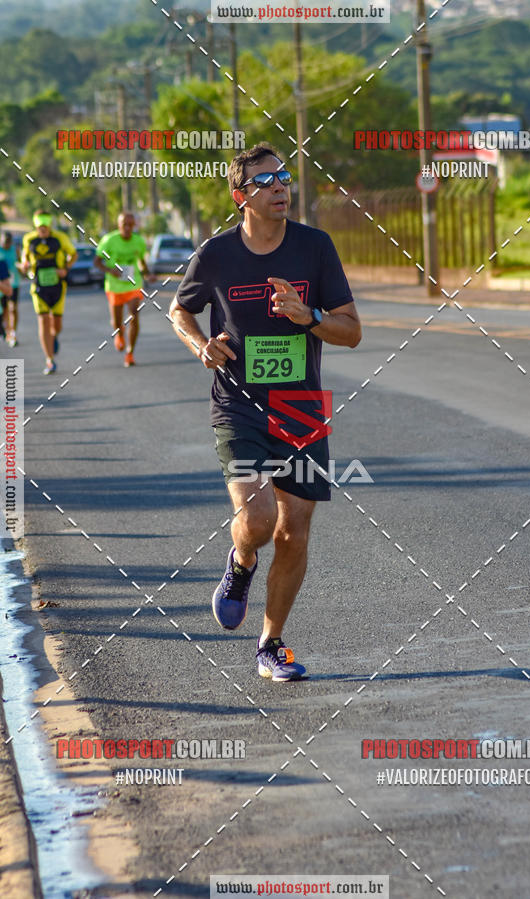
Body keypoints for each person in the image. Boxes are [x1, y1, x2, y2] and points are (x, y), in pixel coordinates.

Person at [169, 142, 361, 682]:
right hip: (239, 403)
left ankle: (271, 645)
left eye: (284, 177)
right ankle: (241, 561)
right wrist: (200, 345)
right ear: (241, 197)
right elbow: (179, 308)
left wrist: (310, 315)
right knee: (256, 521)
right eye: (266, 181)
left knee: (294, 530)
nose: (281, 187)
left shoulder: (315, 248)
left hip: (300, 406)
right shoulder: (216, 254)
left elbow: (351, 331)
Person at [94, 212, 156, 367]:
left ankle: (130, 353)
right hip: (114, 286)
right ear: (119, 225)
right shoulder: (109, 240)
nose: (127, 228)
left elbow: (141, 261)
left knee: (134, 314)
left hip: (133, 284)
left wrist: (147, 275)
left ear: (134, 225)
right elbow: (97, 262)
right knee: (117, 321)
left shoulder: (139, 241)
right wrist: (111, 271)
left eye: (130, 225)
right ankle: (119, 335)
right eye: (124, 225)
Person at [21, 211, 77, 374]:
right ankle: (49, 360)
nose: (42, 230)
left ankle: (54, 336)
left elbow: (73, 254)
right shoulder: (29, 239)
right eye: (40, 227)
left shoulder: (60, 238)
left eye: (45, 227)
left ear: (49, 225)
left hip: (58, 286)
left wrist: (65, 269)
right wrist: (25, 265)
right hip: (38, 286)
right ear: (36, 226)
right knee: (44, 319)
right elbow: (25, 256)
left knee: (56, 324)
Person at [0, 232, 20, 346]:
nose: (6, 244)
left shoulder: (15, 250)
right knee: (5, 310)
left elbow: (20, 263)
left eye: (8, 242)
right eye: (4, 242)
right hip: (2, 285)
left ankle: (13, 332)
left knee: (13, 308)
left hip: (14, 283)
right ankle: (7, 331)